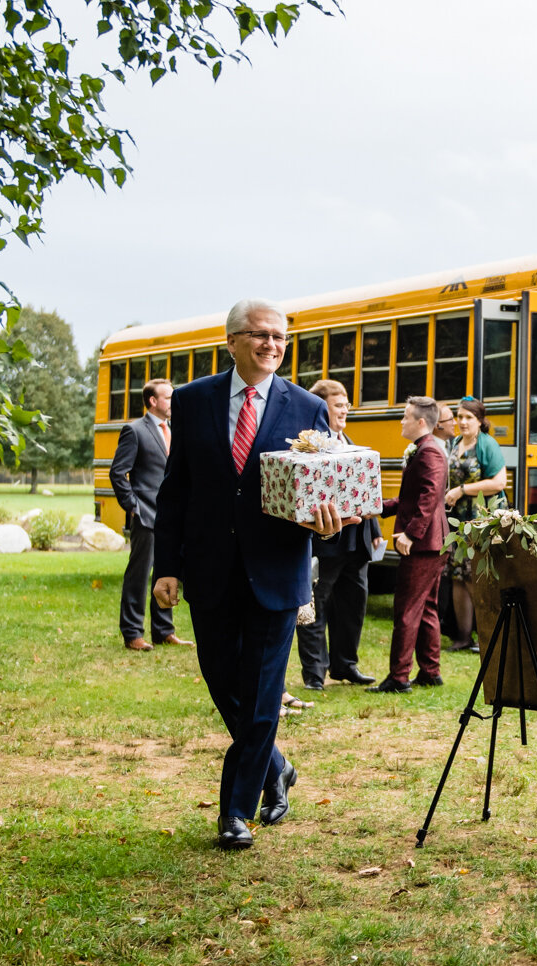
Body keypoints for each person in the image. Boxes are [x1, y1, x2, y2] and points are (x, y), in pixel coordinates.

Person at [151, 299, 343, 852]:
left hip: (277, 570)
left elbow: (318, 490)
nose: (271, 344)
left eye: (279, 336)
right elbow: (176, 491)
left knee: (261, 692)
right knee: (221, 678)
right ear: (231, 340)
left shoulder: (307, 407)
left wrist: (326, 526)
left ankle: (235, 811)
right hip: (210, 567)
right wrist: (167, 565)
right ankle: (275, 764)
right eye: (259, 335)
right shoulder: (192, 401)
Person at [295, 379, 383, 690]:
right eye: (338, 404)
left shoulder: (349, 440)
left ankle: (346, 666)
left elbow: (365, 489)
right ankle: (315, 673)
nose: (345, 410)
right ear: (320, 408)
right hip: (326, 539)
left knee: (352, 604)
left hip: (357, 540)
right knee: (316, 605)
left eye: (346, 404)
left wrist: (374, 530)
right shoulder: (310, 446)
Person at [370, 396, 450, 694]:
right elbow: (409, 499)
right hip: (433, 542)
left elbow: (429, 498)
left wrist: (411, 534)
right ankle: (430, 671)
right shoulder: (425, 450)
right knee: (426, 607)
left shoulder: (430, 452)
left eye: (405, 417)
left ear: (420, 422)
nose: (400, 421)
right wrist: (374, 507)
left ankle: (399, 677)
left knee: (406, 608)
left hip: (425, 544)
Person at [112, 378, 190, 652]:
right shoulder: (134, 431)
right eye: (168, 398)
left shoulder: (176, 429)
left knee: (166, 573)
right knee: (139, 575)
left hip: (172, 517)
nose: (173, 402)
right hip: (145, 515)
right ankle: (133, 632)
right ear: (153, 401)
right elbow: (118, 472)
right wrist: (133, 506)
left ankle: (163, 630)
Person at [441, 398, 508, 652]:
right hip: (458, 520)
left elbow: (499, 482)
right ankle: (462, 636)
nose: (463, 422)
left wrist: (461, 490)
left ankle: (487, 636)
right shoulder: (455, 443)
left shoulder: (487, 445)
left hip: (482, 518)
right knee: (458, 575)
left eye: (469, 417)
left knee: (477, 576)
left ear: (480, 421)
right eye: (459, 417)